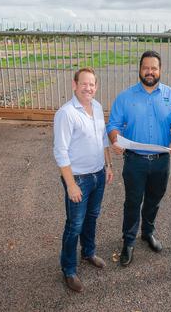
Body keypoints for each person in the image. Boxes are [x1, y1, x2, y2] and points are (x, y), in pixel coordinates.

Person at [107, 50, 171, 266]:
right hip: (134, 162)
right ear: (139, 70)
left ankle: (147, 232)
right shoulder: (125, 97)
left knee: (154, 200)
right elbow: (113, 124)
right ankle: (129, 241)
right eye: (146, 68)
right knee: (132, 202)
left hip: (161, 162)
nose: (149, 72)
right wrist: (115, 139)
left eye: (154, 68)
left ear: (160, 70)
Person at [53, 67, 114, 293]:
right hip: (78, 179)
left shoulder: (97, 107)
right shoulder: (66, 113)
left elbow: (103, 139)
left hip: (98, 175)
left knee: (92, 217)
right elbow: (60, 152)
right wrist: (70, 184)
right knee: (74, 225)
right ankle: (68, 269)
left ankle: (88, 253)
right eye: (84, 84)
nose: (88, 88)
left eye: (92, 84)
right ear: (74, 85)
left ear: (96, 87)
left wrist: (108, 165)